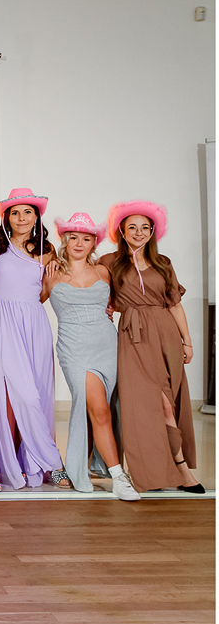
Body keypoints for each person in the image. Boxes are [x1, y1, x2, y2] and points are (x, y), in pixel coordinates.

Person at [99, 201, 202, 494]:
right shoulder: (109, 262)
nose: (139, 232)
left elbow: (175, 305)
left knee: (170, 402)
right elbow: (88, 282)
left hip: (166, 335)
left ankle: (167, 469)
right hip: (133, 338)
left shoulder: (163, 263)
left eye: (145, 227)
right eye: (132, 227)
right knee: (153, 405)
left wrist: (187, 341)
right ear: (121, 231)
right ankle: (179, 470)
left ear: (153, 231)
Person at [46, 212, 139, 501]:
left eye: (86, 239)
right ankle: (119, 477)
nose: (79, 243)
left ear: (93, 243)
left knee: (101, 410)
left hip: (106, 346)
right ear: (65, 240)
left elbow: (117, 303)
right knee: (99, 410)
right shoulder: (51, 272)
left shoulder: (103, 271)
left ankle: (82, 468)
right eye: (74, 237)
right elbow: (26, 300)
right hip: (74, 348)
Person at [0, 187, 64, 490]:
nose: (21, 217)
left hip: (33, 323)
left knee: (37, 394)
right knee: (11, 396)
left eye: (27, 212)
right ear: (6, 217)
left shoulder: (47, 250)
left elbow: (43, 292)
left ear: (36, 216)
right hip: (1, 323)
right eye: (14, 212)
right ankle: (38, 462)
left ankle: (36, 462)